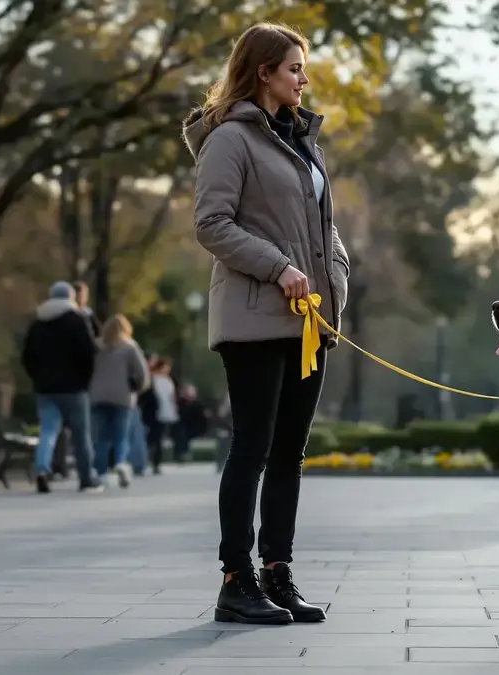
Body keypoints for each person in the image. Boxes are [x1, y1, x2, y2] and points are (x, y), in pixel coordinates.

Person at [183, 22, 350, 625]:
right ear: (263, 73)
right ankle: (236, 580)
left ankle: (278, 574)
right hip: (254, 319)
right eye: (294, 69)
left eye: (303, 69)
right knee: (252, 448)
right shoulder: (230, 139)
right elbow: (212, 223)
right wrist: (279, 267)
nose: (304, 79)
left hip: (310, 323)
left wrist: (336, 271)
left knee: (289, 454)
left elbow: (322, 226)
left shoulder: (302, 141)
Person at [21, 281, 103, 494]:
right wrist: (85, 380)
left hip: (45, 389)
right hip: (74, 388)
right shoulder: (77, 320)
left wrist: (38, 377)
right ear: (71, 297)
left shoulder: (38, 323)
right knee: (81, 435)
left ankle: (41, 469)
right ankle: (86, 478)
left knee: (48, 431)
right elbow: (89, 353)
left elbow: (27, 357)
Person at [88, 314, 149, 489]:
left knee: (101, 438)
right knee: (121, 436)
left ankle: (101, 473)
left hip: (98, 396)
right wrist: (138, 389)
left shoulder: (96, 346)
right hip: (123, 397)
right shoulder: (130, 346)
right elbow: (142, 373)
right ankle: (121, 463)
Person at [148, 358, 178, 475]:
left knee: (160, 438)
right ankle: (152, 460)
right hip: (155, 412)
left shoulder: (168, 380)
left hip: (166, 412)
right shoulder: (153, 379)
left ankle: (156, 463)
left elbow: (172, 396)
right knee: (154, 438)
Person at [172, 382, 209, 462]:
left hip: (194, 429)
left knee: (183, 432)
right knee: (180, 431)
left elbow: (202, 421)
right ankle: (181, 454)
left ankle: (183, 454)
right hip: (182, 429)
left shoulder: (198, 405)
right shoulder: (180, 404)